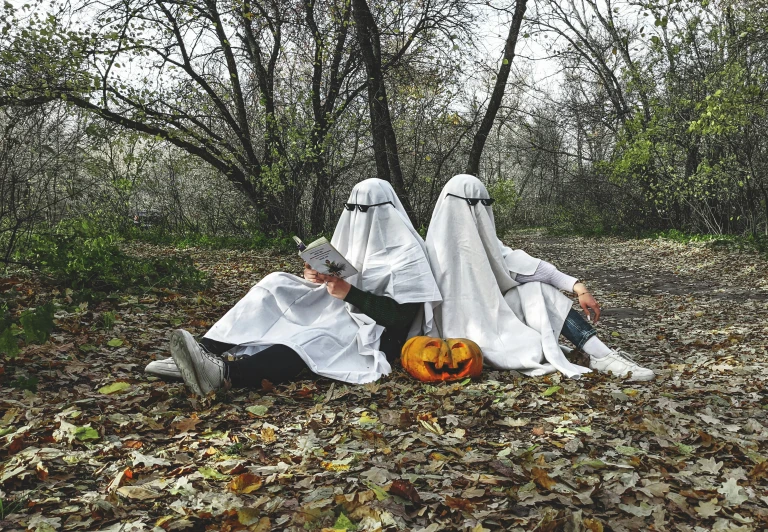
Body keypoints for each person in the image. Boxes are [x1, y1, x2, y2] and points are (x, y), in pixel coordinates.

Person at [146, 178, 442, 395]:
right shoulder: (353, 233)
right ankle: (201, 351)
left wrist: (351, 294)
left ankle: (226, 373)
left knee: (312, 337)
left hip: (375, 331)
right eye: (354, 208)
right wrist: (317, 275)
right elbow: (342, 272)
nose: (360, 215)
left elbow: (403, 318)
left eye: (367, 208)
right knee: (276, 284)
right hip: (338, 305)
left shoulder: (407, 253)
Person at [420, 174, 654, 382]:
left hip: (498, 319)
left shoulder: (488, 245)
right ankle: (588, 353)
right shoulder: (431, 252)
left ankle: (600, 354)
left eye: (485, 203)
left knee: (537, 290)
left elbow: (527, 267)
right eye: (472, 204)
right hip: (461, 341)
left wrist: (577, 287)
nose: (479, 210)